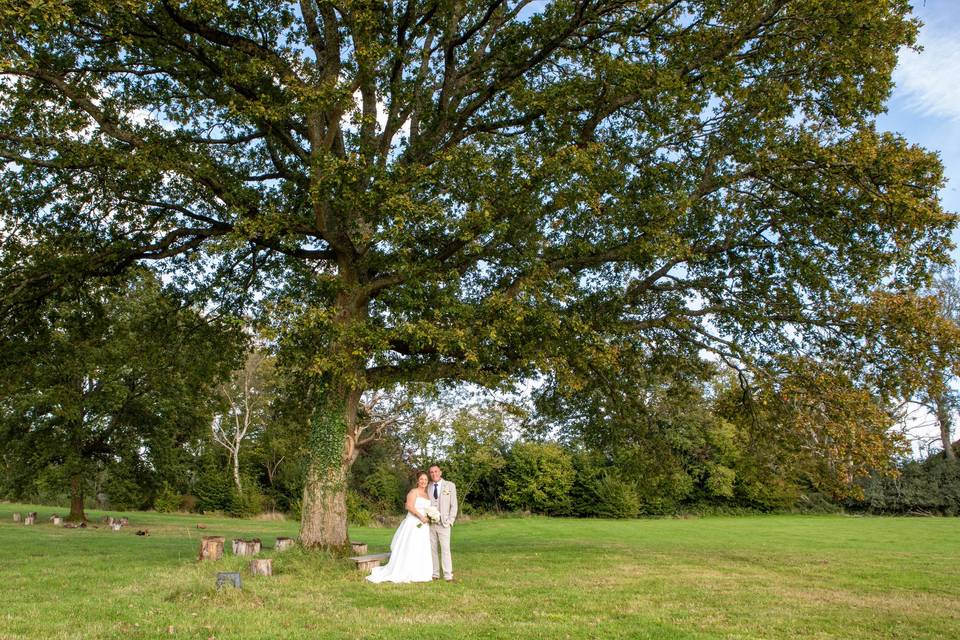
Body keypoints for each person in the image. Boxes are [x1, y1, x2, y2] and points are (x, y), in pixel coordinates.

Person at [366, 471, 433, 583]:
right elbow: (409, 506)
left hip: (424, 525)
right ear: (418, 480)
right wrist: (421, 517)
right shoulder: (413, 492)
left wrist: (429, 516)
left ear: (428, 481)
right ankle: (405, 570)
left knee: (421, 546)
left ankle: (420, 571)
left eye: (425, 479)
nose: (423, 481)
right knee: (410, 546)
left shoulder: (427, 495)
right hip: (413, 523)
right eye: (421, 479)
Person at [427, 464, 458, 582]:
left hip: (444, 524)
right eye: (431, 472)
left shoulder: (450, 485)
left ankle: (448, 575)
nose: (434, 474)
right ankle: (435, 574)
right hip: (430, 524)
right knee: (432, 549)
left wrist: (450, 520)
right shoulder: (428, 486)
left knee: (445, 549)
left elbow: (454, 505)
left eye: (436, 471)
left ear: (440, 472)